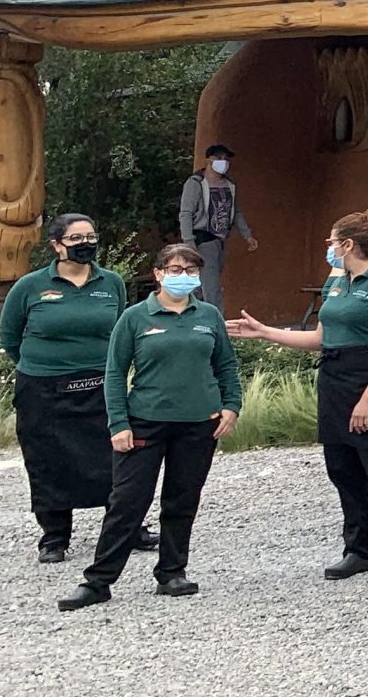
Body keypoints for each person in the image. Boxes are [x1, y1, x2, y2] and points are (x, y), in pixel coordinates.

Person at [231, 207, 368, 583]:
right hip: (335, 377)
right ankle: (357, 550)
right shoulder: (337, 282)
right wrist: (266, 332)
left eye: (333, 241)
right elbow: (321, 338)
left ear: (349, 243)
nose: (331, 248)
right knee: (342, 468)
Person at [58, 245, 241, 610]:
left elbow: (225, 365)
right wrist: (119, 423)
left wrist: (231, 406)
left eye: (191, 270)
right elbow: (114, 373)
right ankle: (98, 581)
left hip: (198, 424)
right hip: (145, 421)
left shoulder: (208, 315)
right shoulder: (135, 317)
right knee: (127, 502)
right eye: (175, 268)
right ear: (158, 273)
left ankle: (172, 572)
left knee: (182, 498)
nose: (184, 275)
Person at [0, 213, 150, 564]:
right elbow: (10, 337)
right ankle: (54, 536)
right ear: (56, 245)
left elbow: (119, 330)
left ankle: (129, 527)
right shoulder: (31, 286)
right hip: (43, 390)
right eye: (76, 238)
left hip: (100, 385)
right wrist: (45, 366)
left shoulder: (111, 282)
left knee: (117, 457)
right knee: (47, 461)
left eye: (91, 236)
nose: (86, 244)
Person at [177, 143, 257, 308]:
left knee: (201, 284)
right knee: (210, 286)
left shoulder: (230, 184)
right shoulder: (196, 183)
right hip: (203, 238)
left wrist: (247, 235)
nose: (223, 162)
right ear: (208, 160)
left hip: (220, 240)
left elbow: (236, 212)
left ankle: (195, 317)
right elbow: (186, 213)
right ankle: (216, 322)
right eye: (218, 158)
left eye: (226, 159)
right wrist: (189, 241)